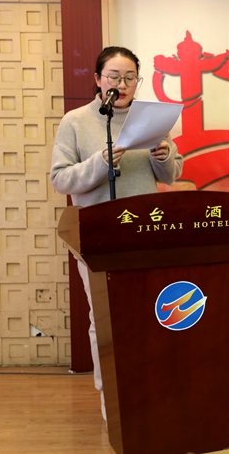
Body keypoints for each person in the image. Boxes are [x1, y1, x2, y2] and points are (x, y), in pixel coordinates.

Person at [50, 46, 184, 421]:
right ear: (98, 80)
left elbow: (172, 173)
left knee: (148, 315)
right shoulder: (76, 121)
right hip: (97, 235)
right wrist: (100, 162)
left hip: (145, 234)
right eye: (113, 76)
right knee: (105, 319)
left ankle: (147, 388)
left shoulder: (152, 120)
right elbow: (60, 178)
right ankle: (110, 394)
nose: (121, 84)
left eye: (129, 77)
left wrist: (164, 158)